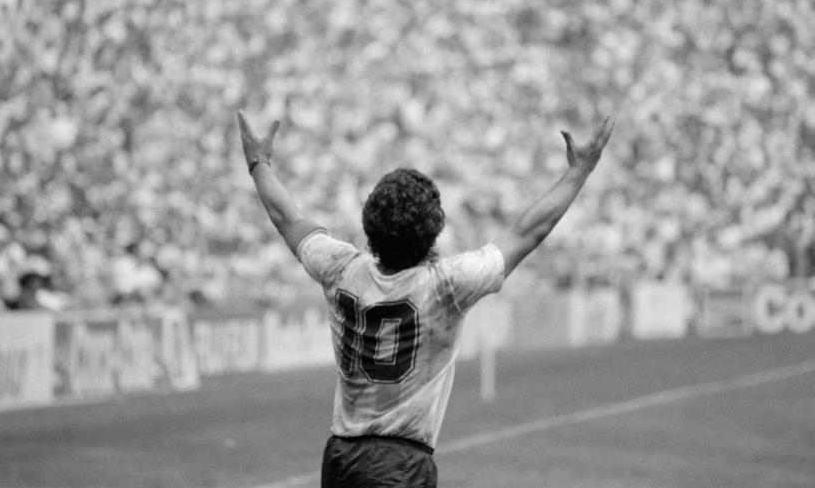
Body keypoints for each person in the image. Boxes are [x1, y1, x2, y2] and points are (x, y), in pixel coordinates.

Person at [237, 109, 616, 488]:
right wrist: (578, 171)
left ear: (369, 223)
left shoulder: (339, 268)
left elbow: (286, 217)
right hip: (401, 465)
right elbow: (527, 232)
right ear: (434, 230)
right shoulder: (446, 286)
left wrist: (259, 162)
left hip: (340, 457)